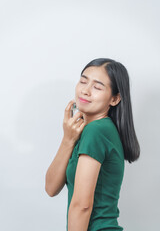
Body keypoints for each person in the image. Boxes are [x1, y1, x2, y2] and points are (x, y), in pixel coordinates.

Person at [45, 58, 140, 231]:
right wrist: (68, 139)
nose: (85, 91)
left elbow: (82, 205)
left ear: (115, 99)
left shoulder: (97, 131)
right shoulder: (86, 131)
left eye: (97, 87)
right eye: (83, 81)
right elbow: (51, 188)